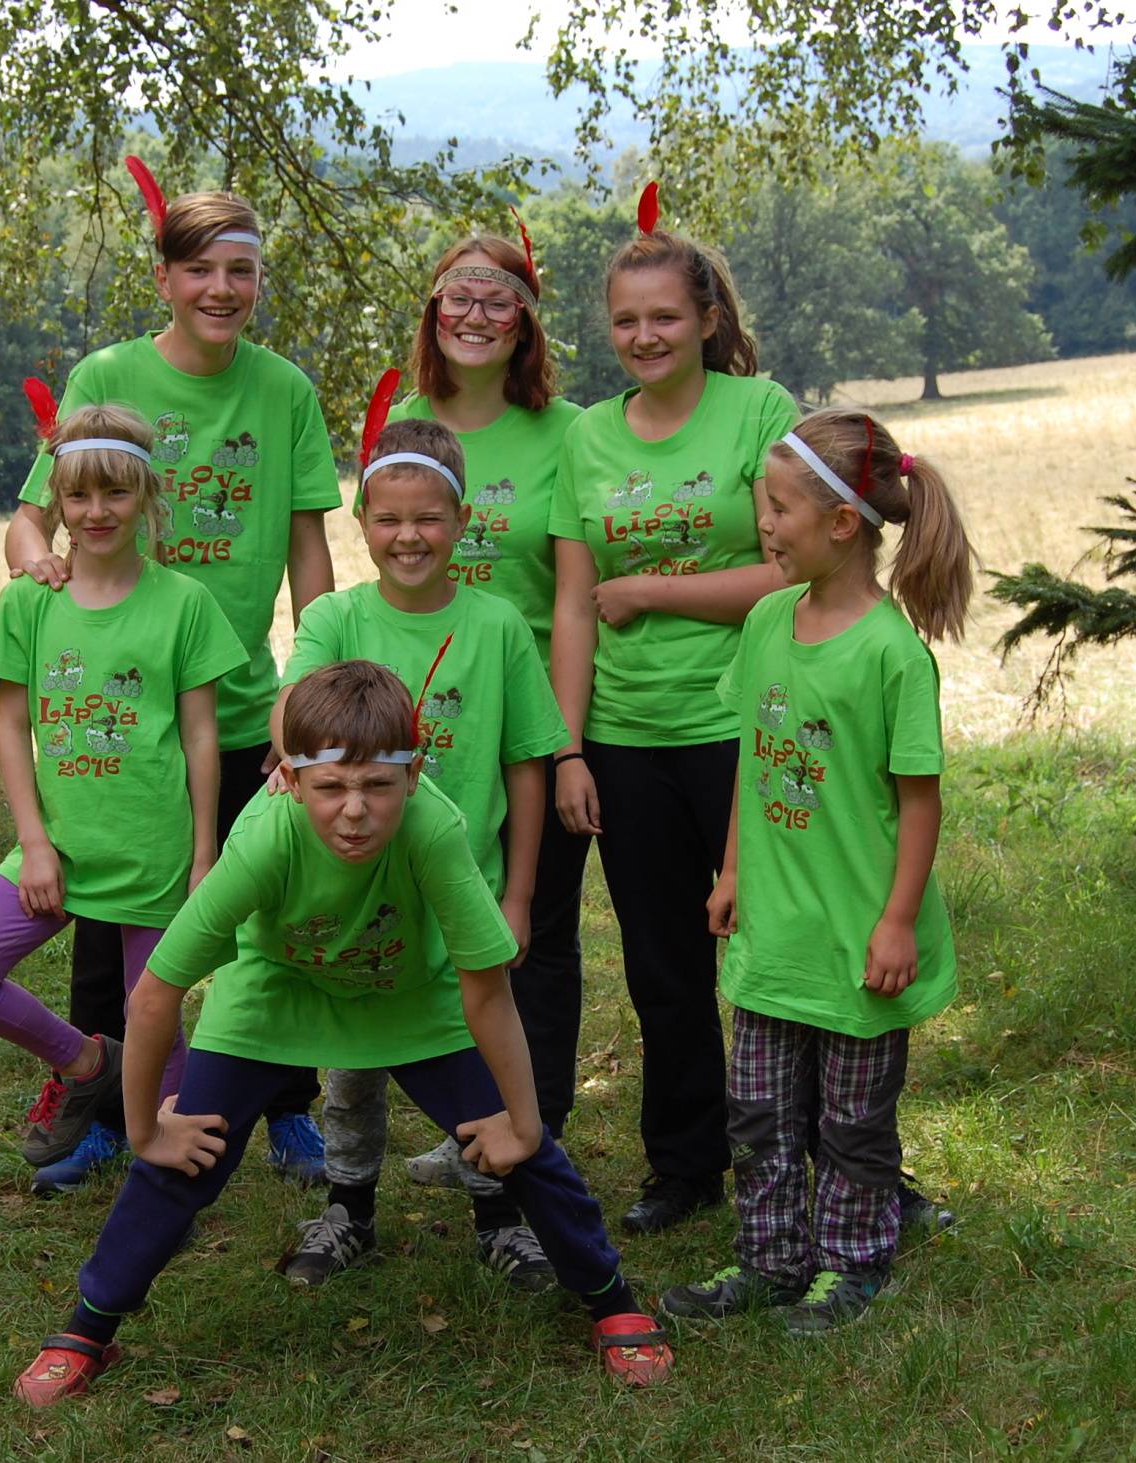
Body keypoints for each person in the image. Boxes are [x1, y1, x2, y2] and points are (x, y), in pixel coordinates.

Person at [14, 660, 673, 1406]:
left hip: (408, 997)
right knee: (188, 1157)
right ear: (292, 780)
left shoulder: (434, 828)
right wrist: (144, 1130)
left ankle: (612, 1299)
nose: (354, 811)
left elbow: (487, 991)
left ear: (414, 774)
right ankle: (86, 1328)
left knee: (525, 1148)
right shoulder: (265, 838)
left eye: (377, 786)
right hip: (276, 994)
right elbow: (156, 992)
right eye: (330, 787)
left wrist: (522, 1124)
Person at [5, 160, 338, 1184]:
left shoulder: (283, 391)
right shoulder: (107, 376)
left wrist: (312, 684)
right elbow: (30, 518)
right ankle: (113, 1108)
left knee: (267, 912)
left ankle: (285, 1105)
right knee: (108, 925)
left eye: (241, 271)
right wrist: (39, 561)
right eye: (200, 271)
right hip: (126, 723)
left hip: (239, 713)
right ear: (164, 279)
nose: (221, 290)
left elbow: (308, 550)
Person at [661, 408, 974, 1334]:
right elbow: (755, 763)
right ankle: (769, 1260)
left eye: (779, 508)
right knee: (758, 1112)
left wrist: (897, 921)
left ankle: (852, 1264)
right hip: (776, 933)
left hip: (857, 939)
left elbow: (920, 801)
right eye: (763, 504)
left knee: (852, 1122)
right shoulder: (767, 620)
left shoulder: (890, 654)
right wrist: (730, 870)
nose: (763, 523)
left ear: (842, 522)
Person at [271, 416, 568, 1291]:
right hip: (355, 893)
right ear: (362, 520)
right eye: (390, 518)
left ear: (463, 520)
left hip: (460, 890)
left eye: (429, 517)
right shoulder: (335, 617)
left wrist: (517, 895)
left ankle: (499, 1215)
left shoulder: (499, 625)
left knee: (474, 1051)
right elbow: (291, 711)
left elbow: (526, 763)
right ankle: (348, 1207)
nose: (410, 536)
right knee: (352, 1059)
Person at [0, 403, 246, 1193]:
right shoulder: (31, 602)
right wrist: (35, 844)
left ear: (148, 496)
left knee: (153, 1015)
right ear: (57, 502)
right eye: (78, 495)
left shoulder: (185, 603)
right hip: (59, 849)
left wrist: (205, 854)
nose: (97, 512)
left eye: (116, 493)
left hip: (155, 851)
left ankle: (165, 1173)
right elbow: (12, 727)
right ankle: (86, 1062)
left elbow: (202, 736)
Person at [546, 198, 796, 1233]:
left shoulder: (758, 411)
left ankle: (818, 1152)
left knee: (782, 949)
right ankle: (686, 1165)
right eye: (625, 320)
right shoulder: (588, 437)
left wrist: (651, 590)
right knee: (662, 965)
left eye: (663, 316)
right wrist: (567, 748)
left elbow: (791, 571)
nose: (643, 336)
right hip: (626, 735)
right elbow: (573, 604)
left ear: (705, 319)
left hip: (747, 721)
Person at [386, 230, 592, 1200]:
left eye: (497, 299)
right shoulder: (402, 421)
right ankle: (469, 1119)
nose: (474, 316)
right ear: (433, 312)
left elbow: (571, 596)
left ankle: (534, 1131)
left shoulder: (567, 432)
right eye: (457, 298)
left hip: (534, 720)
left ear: (526, 321)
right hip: (432, 726)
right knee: (444, 927)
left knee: (532, 932)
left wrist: (565, 745)